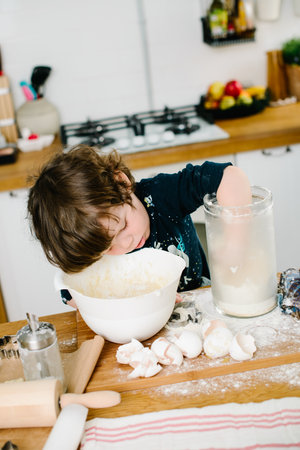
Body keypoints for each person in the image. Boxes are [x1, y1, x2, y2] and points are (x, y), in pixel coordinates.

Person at [27, 144, 251, 307]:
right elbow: (70, 292)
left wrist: (234, 244)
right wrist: (127, 305)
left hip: (204, 305)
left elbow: (229, 177)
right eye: (108, 249)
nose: (126, 243)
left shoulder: (162, 195)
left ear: (122, 183)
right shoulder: (89, 244)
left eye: (123, 226)